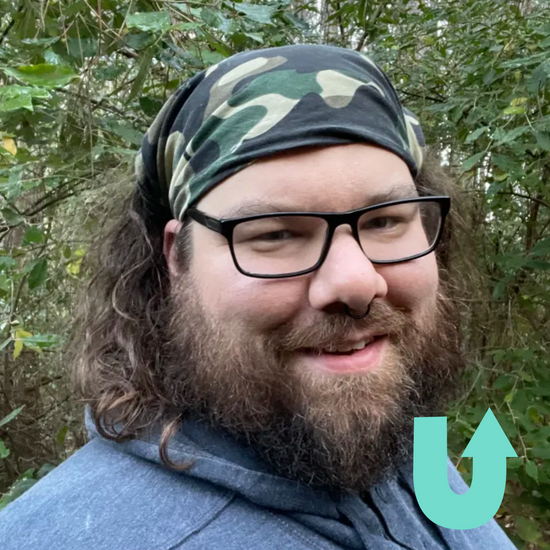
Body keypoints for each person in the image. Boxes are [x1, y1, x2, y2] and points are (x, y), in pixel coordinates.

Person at [0, 44, 517, 550]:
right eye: (275, 234)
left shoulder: (389, 445)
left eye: (385, 222)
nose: (357, 283)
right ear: (177, 259)